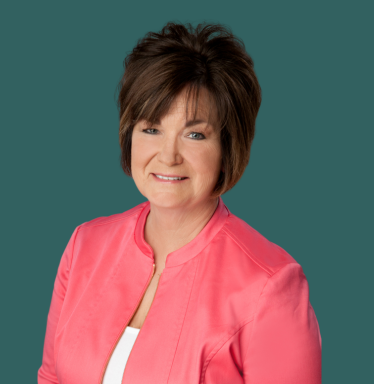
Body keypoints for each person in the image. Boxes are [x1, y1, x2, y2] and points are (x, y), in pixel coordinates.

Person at [38, 22, 322, 384]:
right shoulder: (84, 247)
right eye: (151, 129)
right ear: (130, 135)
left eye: (194, 134)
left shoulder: (271, 286)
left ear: (228, 146)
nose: (168, 155)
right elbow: (51, 377)